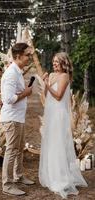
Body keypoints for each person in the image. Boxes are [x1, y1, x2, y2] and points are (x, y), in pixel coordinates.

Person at [39, 52, 87, 199]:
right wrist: (45, 82)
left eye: (57, 62)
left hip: (59, 115)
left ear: (63, 63)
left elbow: (59, 96)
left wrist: (48, 84)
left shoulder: (64, 76)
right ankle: (52, 175)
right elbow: (47, 95)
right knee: (51, 144)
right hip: (51, 114)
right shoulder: (52, 75)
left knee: (59, 144)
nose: (54, 64)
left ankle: (61, 177)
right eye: (53, 62)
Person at [0, 43, 34, 196]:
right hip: (11, 119)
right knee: (12, 151)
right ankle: (7, 185)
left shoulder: (18, 71)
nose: (29, 57)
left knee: (19, 149)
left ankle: (18, 177)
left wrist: (24, 92)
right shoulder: (11, 73)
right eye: (27, 54)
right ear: (18, 56)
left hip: (18, 118)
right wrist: (25, 93)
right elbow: (8, 99)